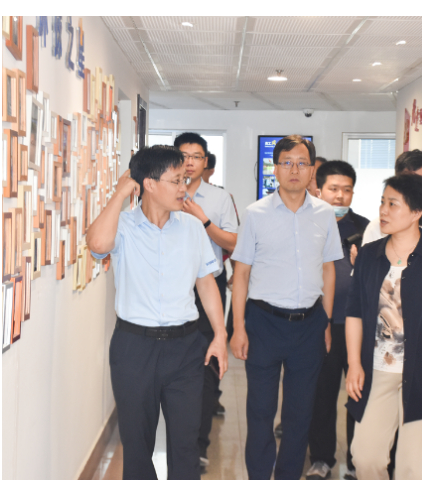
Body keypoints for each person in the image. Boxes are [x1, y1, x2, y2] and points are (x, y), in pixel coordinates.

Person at [85, 145, 229, 479]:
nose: (183, 188)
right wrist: (120, 193)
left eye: (185, 180)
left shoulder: (192, 227)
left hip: (186, 347)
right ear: (149, 184)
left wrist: (220, 335)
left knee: (186, 445)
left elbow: (206, 283)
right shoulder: (122, 226)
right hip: (134, 348)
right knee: (136, 446)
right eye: (176, 180)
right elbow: (97, 245)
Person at [229, 135, 343, 480]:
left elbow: (329, 270)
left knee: (300, 413)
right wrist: (238, 327)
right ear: (275, 169)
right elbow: (241, 273)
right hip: (263, 322)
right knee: (260, 411)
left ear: (312, 171)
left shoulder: (325, 214)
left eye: (302, 163)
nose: (295, 169)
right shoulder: (255, 214)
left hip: (309, 324)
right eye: (287, 162)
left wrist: (326, 321)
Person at [344, 173, 422, 480]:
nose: (383, 211)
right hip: (377, 371)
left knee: (413, 467)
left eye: (393, 204)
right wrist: (354, 363)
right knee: (366, 458)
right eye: (382, 202)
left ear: (416, 212)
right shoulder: (369, 255)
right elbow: (355, 313)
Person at [172, 132, 240, 472]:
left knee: (207, 365)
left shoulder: (219, 198)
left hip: (208, 286)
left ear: (206, 162)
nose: (189, 162)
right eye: (183, 155)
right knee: (175, 367)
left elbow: (233, 242)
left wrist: (203, 219)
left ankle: (198, 445)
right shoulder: (160, 190)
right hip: (171, 287)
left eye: (196, 156)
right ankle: (176, 441)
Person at [305, 160, 370, 480]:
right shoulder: (306, 224)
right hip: (319, 323)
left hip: (358, 325)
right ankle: (321, 458)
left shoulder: (368, 228)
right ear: (318, 190)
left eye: (347, 190)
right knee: (322, 393)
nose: (340, 196)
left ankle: (358, 461)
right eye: (333, 189)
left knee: (359, 393)